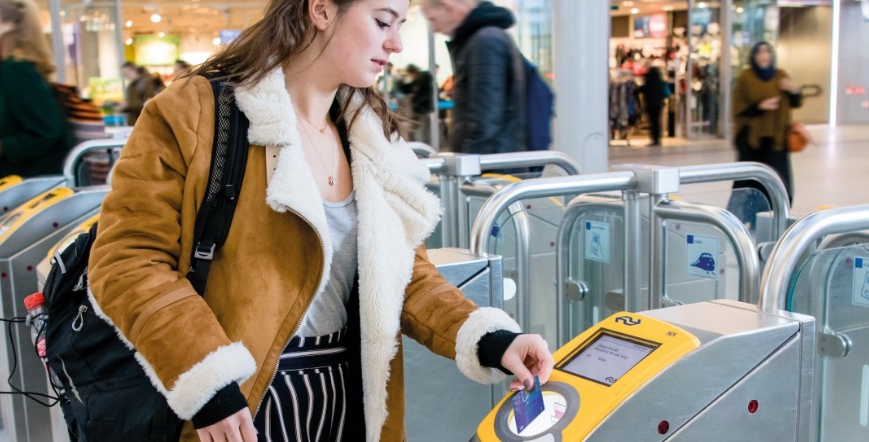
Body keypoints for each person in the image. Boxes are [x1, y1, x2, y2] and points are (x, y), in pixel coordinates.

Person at [86, 1, 554, 441]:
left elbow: (402, 278)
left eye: (400, 26)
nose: (396, 44)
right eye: (382, 21)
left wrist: (491, 338)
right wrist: (206, 378)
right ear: (322, 9)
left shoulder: (372, 137)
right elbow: (128, 260)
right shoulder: (199, 113)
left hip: (351, 400)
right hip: (237, 406)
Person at [0, 0, 74, 178]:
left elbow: (45, 130)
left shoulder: (15, 68)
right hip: (28, 177)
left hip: (36, 180)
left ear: (9, 24)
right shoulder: (6, 65)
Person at [422, 0, 526, 155]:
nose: (434, 28)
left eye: (432, 19)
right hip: (492, 160)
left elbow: (486, 120)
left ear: (448, 6)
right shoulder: (480, 39)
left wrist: (468, 166)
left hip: (493, 165)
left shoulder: (485, 41)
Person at [728, 42, 802, 225]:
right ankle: (737, 225)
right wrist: (760, 106)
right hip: (752, 142)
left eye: (767, 51)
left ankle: (772, 222)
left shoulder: (780, 76)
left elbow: (795, 102)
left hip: (777, 142)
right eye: (760, 52)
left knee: (780, 184)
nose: (764, 56)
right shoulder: (746, 77)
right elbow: (738, 109)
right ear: (753, 56)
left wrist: (793, 90)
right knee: (748, 185)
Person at [401, 64, 436, 142]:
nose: (410, 76)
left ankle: (422, 145)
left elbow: (424, 94)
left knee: (421, 130)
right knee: (416, 129)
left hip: (423, 109)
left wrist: (416, 101)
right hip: (418, 109)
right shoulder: (417, 80)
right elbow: (406, 89)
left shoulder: (425, 77)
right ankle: (417, 144)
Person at [638, 65, 670, 147]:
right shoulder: (660, 81)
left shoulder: (649, 80)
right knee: (657, 122)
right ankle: (657, 139)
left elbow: (644, 88)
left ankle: (654, 139)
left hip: (651, 104)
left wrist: (635, 90)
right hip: (659, 104)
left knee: (653, 122)